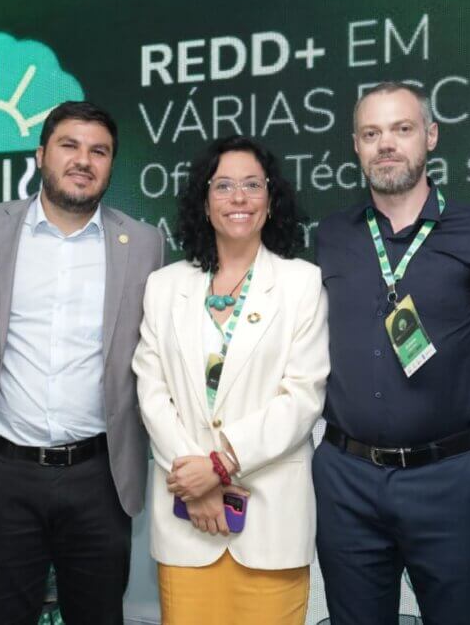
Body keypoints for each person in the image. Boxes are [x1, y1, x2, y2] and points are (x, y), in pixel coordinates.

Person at [0, 100, 163, 624]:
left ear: (110, 165)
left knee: (99, 616)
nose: (83, 160)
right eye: (69, 146)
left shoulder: (144, 244)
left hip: (98, 476)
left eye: (98, 151)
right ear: (41, 155)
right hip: (0, 474)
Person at [313, 82, 470, 624]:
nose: (386, 144)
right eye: (372, 133)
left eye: (402, 129)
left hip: (448, 480)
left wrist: (444, 419)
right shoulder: (331, 236)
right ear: (357, 146)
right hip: (346, 481)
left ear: (430, 137)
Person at [132, 135, 329, 624]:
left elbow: (302, 398)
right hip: (185, 519)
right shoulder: (164, 286)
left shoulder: (301, 282)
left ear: (270, 199)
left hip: (270, 525)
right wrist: (195, 482)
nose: (238, 198)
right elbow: (150, 390)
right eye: (223, 186)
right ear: (204, 201)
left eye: (251, 185)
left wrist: (219, 466)